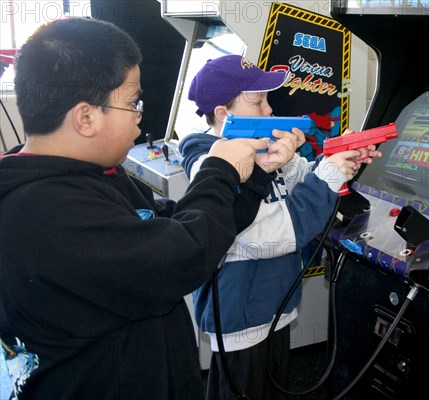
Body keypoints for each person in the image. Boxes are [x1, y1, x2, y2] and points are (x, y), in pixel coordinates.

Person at [0, 18, 272, 400]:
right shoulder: (44, 212)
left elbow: (179, 225)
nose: (140, 116)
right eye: (132, 103)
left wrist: (256, 175)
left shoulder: (93, 177)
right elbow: (181, 255)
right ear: (86, 117)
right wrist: (219, 169)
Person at [179, 54, 381, 400]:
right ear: (224, 115)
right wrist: (328, 176)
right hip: (240, 317)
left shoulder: (259, 145)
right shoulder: (210, 165)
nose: (270, 110)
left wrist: (338, 159)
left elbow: (301, 178)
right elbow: (270, 234)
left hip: (272, 305)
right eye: (258, 101)